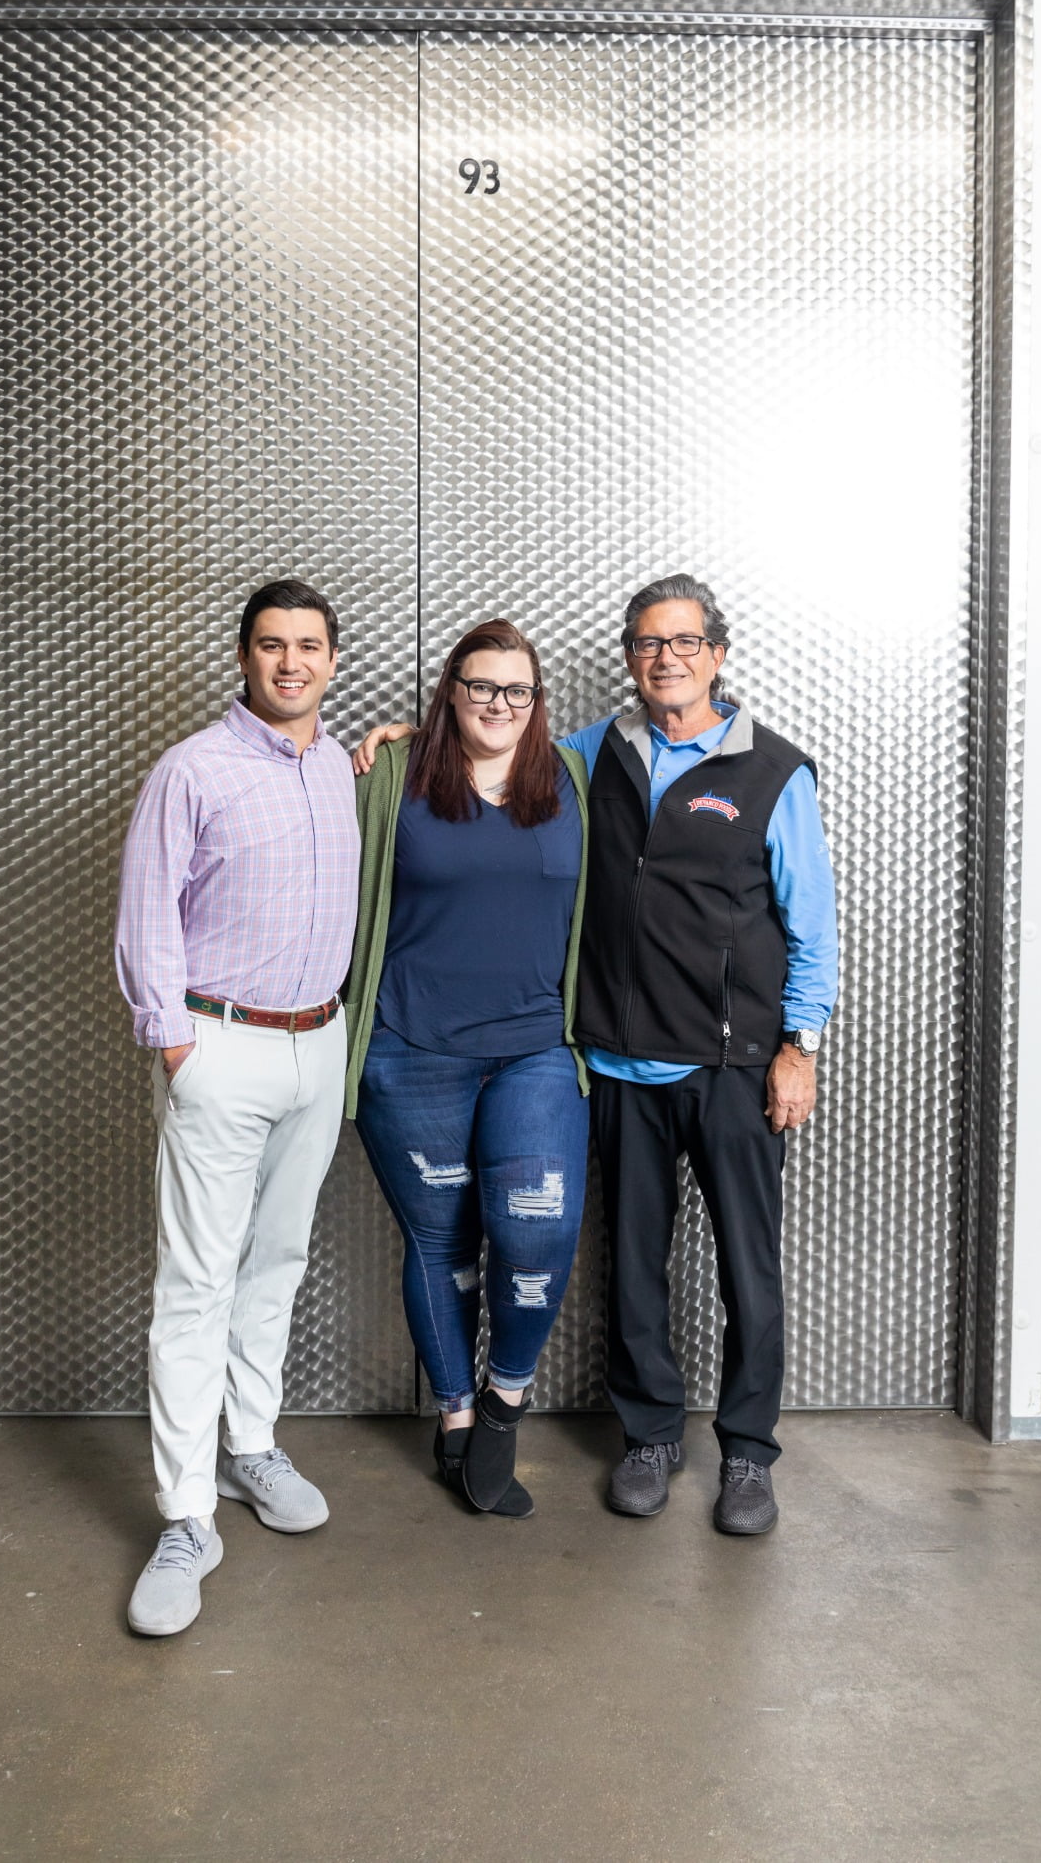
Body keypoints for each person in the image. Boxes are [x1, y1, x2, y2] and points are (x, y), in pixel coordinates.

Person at [355, 574, 837, 1537]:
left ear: (718, 653)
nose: (669, 658)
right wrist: (405, 736)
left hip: (735, 1065)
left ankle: (748, 1453)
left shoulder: (774, 772)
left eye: (686, 642)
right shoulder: (589, 757)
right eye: (651, 643)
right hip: (617, 1064)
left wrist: (800, 1045)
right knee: (632, 1272)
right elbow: (494, 741)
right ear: (629, 656)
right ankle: (650, 1438)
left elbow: (812, 922)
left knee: (751, 1268)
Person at [115, 579, 357, 1636]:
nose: (290, 663)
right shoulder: (192, 770)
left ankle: (250, 1446)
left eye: (308, 646)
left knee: (277, 1261)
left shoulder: (346, 769)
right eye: (271, 645)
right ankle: (183, 1516)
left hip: (320, 1044)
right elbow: (143, 917)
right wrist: (176, 1045)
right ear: (244, 657)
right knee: (194, 1283)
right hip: (219, 1045)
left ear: (332, 662)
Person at [344, 620, 591, 1518]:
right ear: (451, 691)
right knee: (443, 1247)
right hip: (410, 1053)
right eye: (480, 687)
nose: (499, 705)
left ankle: (504, 1398)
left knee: (536, 1234)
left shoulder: (573, 777)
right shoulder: (391, 780)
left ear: (538, 701)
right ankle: (453, 1415)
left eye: (516, 690)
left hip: (535, 1050)